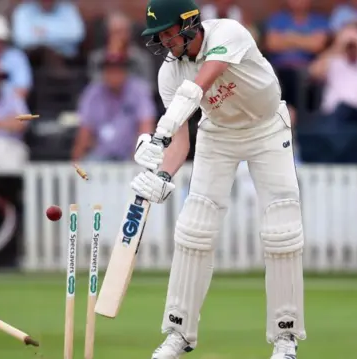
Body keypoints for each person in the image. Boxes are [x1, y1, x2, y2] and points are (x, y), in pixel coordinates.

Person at [129, 0, 306, 358]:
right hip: (218, 135)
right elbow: (181, 141)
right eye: (158, 36)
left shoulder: (228, 33)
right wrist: (162, 173)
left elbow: (202, 82)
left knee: (282, 230)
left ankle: (285, 339)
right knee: (194, 229)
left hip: (267, 129)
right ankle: (178, 334)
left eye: (167, 32)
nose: (164, 42)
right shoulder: (169, 72)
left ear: (189, 23)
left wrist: (161, 131)